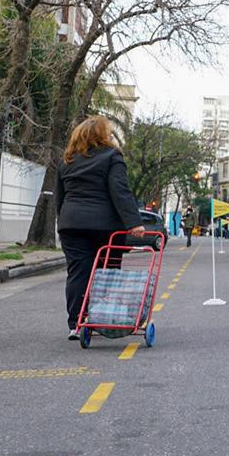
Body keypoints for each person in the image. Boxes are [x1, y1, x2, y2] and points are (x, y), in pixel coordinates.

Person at [55, 116, 146, 341]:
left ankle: (76, 323)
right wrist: (133, 222)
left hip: (71, 224)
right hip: (105, 227)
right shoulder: (112, 156)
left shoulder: (66, 160)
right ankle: (102, 316)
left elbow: (60, 196)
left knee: (78, 272)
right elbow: (119, 190)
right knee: (108, 270)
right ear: (103, 135)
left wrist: (63, 221)